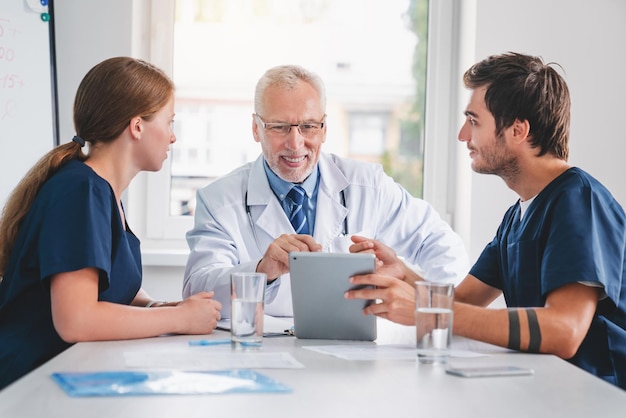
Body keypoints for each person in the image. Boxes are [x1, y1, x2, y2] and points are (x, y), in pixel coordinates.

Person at [345, 52, 626, 389]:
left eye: (474, 120)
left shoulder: (578, 200)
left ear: (518, 130)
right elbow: (461, 302)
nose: (464, 135)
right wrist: (400, 272)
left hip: (602, 398)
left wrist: (423, 308)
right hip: (552, 393)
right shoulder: (517, 217)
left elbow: (563, 331)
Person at [0, 57, 222, 390]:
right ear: (137, 126)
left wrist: (156, 305)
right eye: (169, 122)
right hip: (28, 384)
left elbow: (110, 283)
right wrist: (179, 318)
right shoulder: (80, 190)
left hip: (64, 375)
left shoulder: (99, 190)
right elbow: (76, 320)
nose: (172, 138)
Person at [183, 64, 470, 317]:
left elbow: (443, 248)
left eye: (308, 126)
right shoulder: (219, 199)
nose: (295, 143)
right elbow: (198, 288)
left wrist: (432, 311)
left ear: (324, 128)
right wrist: (261, 270)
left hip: (348, 352)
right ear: (256, 128)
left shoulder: (368, 186)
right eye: (280, 127)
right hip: (262, 350)